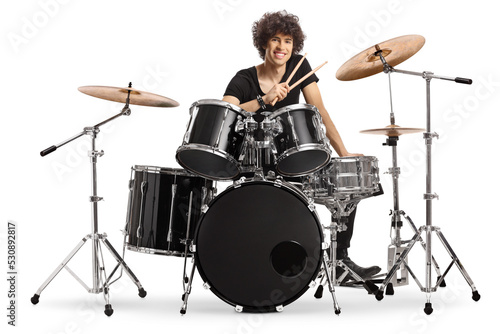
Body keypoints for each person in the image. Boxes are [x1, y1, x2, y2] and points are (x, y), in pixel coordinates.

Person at [222, 10, 380, 281]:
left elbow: (320, 112)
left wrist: (342, 152)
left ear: (294, 45)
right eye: (275, 40)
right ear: (263, 44)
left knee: (347, 179)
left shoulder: (299, 67)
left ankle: (339, 262)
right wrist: (263, 100)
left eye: (287, 41)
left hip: (293, 156)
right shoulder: (245, 78)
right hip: (256, 163)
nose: (281, 47)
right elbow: (226, 114)